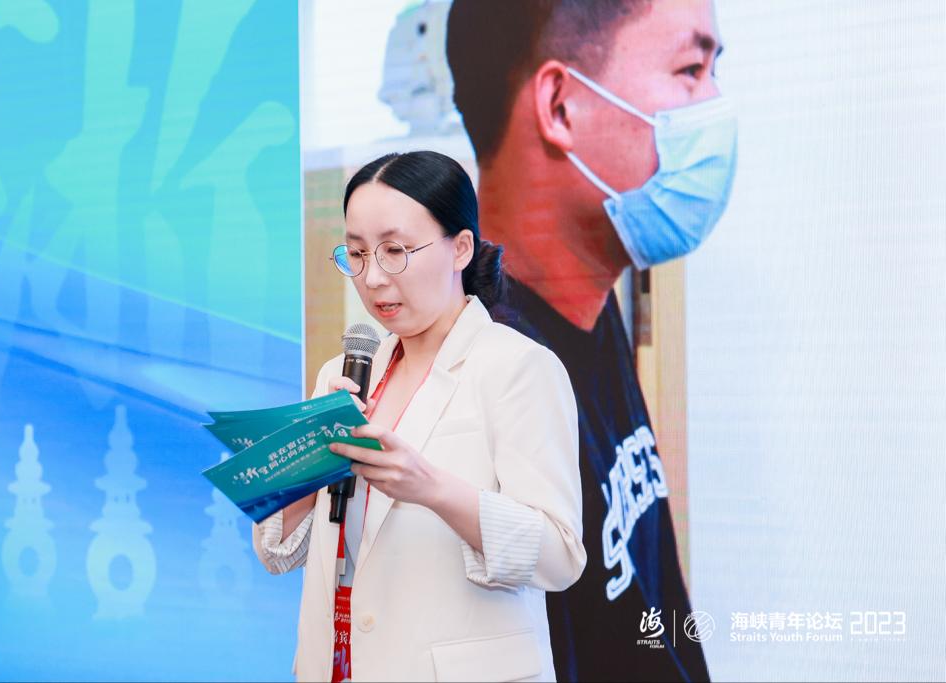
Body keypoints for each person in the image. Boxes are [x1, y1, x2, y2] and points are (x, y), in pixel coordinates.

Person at [446, 1, 736, 681]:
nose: (715, 104)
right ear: (561, 106)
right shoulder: (482, 378)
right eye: (690, 70)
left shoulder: (586, 301)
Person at [252, 150, 587, 682]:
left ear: (460, 248)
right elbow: (275, 550)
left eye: (395, 251)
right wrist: (308, 454)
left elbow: (560, 555)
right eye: (357, 254)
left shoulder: (518, 367)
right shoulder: (341, 375)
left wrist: (430, 487)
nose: (372, 278)